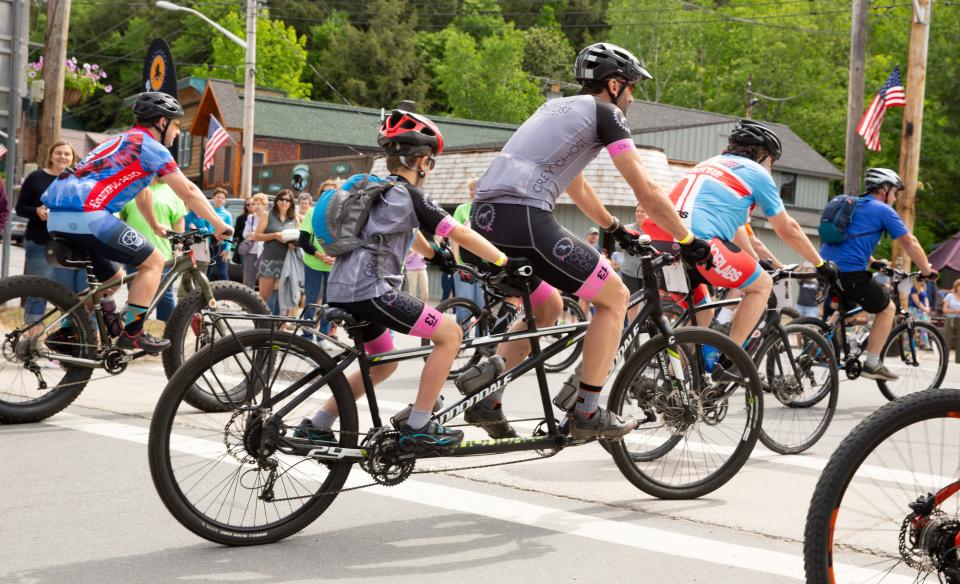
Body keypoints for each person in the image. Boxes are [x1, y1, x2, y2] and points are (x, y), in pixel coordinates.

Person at [469, 42, 712, 440]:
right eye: (631, 87)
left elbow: (575, 183)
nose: (632, 96)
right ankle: (586, 410)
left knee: (546, 305)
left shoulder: (554, 109)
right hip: (524, 216)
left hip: (488, 218)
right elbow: (647, 188)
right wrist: (686, 238)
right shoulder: (607, 113)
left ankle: (487, 400)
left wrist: (613, 226)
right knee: (614, 297)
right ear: (614, 85)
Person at [295, 109, 525, 453]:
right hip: (371, 289)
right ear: (421, 160)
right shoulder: (411, 195)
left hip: (342, 286)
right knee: (450, 334)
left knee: (384, 362)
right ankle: (420, 425)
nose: (429, 169)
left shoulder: (370, 186)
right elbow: (458, 231)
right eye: (431, 162)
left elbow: (406, 229)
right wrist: (505, 261)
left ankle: (316, 425)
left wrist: (435, 255)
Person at [41, 91, 231, 352]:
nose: (177, 133)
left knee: (114, 279)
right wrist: (219, 224)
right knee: (153, 262)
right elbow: (187, 190)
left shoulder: (119, 141)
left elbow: (141, 191)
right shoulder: (153, 147)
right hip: (90, 216)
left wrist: (154, 225)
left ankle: (66, 332)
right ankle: (133, 334)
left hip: (58, 217)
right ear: (162, 122)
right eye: (176, 125)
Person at [643, 119, 839, 371]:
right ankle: (730, 357)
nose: (770, 168)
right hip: (696, 241)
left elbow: (736, 230)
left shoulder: (709, 163)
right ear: (763, 155)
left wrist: (755, 262)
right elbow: (786, 228)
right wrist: (820, 263)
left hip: (660, 239)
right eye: (772, 162)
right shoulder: (756, 173)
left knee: (703, 319)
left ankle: (679, 389)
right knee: (762, 285)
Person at [820, 167, 938, 380]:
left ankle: (818, 343)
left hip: (826, 267)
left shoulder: (853, 205)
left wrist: (872, 262)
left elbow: (849, 239)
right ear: (884, 190)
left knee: (844, 308)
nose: (895, 197)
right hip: (850, 273)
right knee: (887, 308)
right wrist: (927, 271)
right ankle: (872, 363)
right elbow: (910, 242)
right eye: (894, 192)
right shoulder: (883, 210)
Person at [16, 141, 88, 324]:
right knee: (38, 290)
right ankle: (31, 336)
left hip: (67, 243)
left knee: (66, 294)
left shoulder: (78, 180)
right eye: (59, 153)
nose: (63, 157)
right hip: (39, 241)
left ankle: (66, 334)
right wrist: (36, 212)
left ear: (73, 158)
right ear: (51, 156)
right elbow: (20, 208)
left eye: (67, 154)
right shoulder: (36, 177)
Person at [119, 179, 187, 322]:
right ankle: (133, 328)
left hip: (162, 252)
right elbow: (123, 217)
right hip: (133, 250)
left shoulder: (171, 191)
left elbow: (178, 220)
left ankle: (168, 329)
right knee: (135, 292)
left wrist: (178, 246)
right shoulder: (132, 187)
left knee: (163, 294)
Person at [253, 188, 299, 314]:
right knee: (264, 296)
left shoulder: (295, 219)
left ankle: (280, 330)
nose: (284, 202)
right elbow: (257, 236)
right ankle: (260, 327)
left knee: (284, 298)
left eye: (288, 200)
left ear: (291, 203)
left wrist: (294, 244)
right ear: (277, 201)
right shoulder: (268, 215)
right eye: (282, 199)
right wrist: (274, 236)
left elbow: (300, 239)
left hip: (288, 262)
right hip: (269, 259)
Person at [298, 191, 335, 346]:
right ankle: (307, 334)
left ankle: (323, 335)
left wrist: (336, 256)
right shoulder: (312, 213)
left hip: (333, 264)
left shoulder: (339, 214)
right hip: (313, 262)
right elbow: (303, 241)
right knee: (311, 298)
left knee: (329, 302)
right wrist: (320, 256)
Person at [450, 177, 484, 316]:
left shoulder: (489, 210)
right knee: (464, 308)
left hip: (485, 267)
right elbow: (454, 238)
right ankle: (462, 337)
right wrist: (458, 263)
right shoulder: (461, 210)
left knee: (482, 310)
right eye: (471, 189)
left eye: (476, 188)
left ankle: (482, 337)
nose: (473, 192)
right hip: (465, 265)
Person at [185, 187, 233, 282]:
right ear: (213, 198)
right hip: (208, 245)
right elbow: (207, 229)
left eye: (222, 198)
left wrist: (228, 248)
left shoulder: (227, 215)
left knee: (222, 273)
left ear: (225, 200)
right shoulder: (208, 212)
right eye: (218, 196)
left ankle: (228, 295)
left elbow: (230, 233)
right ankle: (206, 295)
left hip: (221, 246)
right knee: (207, 272)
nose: (220, 199)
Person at [239, 193, 267, 289]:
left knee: (264, 280)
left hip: (265, 252)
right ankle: (247, 302)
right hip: (251, 252)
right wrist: (251, 235)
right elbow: (244, 234)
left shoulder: (269, 217)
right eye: (254, 204)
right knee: (249, 280)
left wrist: (256, 235)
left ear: (265, 205)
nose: (256, 206)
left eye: (259, 204)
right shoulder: (251, 217)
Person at [907, 279, 931, 349]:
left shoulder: (923, 288)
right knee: (913, 329)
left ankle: (923, 343)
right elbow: (916, 301)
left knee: (925, 327)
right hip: (914, 310)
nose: (923, 280)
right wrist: (925, 308)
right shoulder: (913, 289)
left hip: (922, 311)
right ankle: (911, 345)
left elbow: (926, 299)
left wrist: (927, 307)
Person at [942, 280, 960, 364]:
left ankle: (958, 360)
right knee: (947, 339)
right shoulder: (950, 296)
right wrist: (955, 311)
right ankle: (945, 358)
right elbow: (944, 310)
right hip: (950, 319)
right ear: (956, 286)